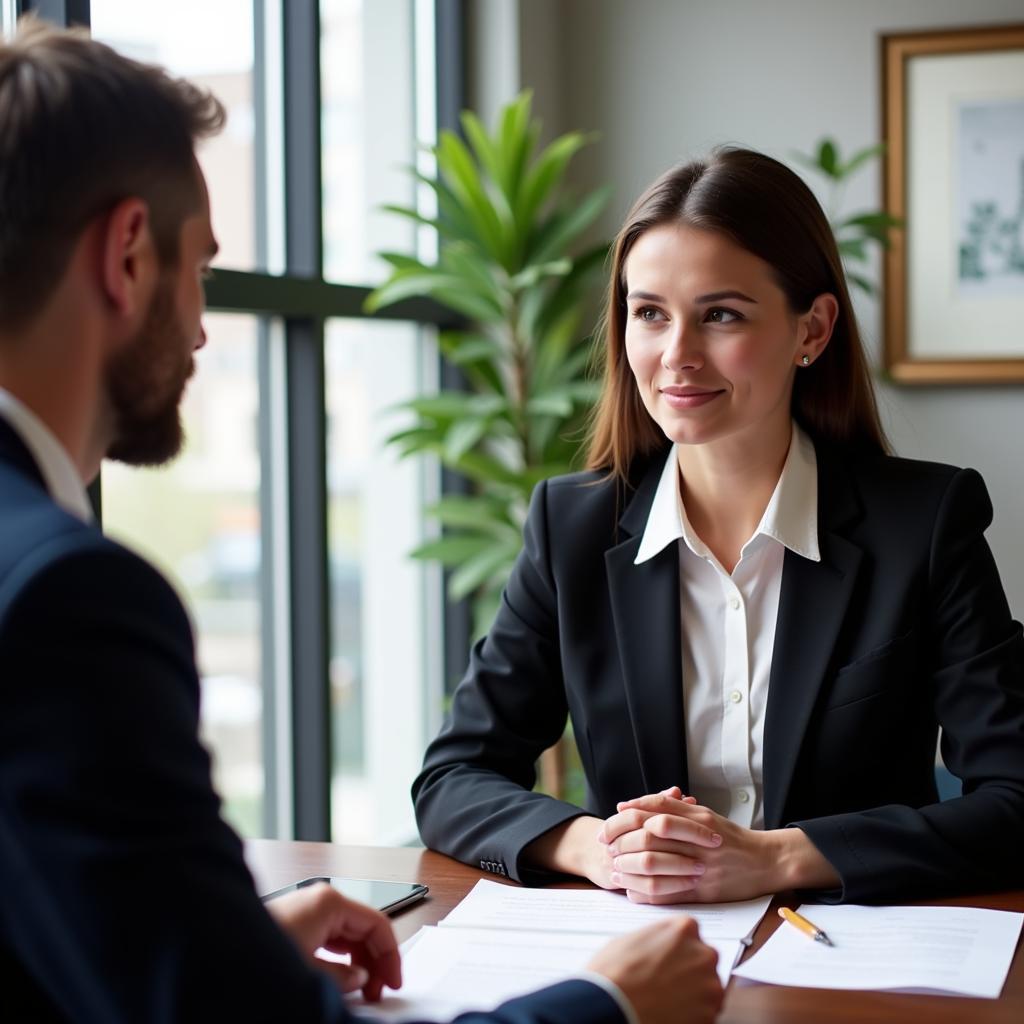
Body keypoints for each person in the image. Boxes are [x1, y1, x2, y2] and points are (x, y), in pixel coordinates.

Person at [0, 17, 725, 1024]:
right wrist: (610, 1002)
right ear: (127, 255)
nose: (205, 325)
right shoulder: (67, 596)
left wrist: (226, 947)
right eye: (200, 268)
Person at [414, 147, 1024, 906]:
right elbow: (453, 778)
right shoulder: (571, 528)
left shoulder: (925, 525)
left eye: (721, 315)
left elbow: (1015, 798)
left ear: (814, 328)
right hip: (650, 954)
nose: (676, 357)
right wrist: (602, 849)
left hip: (848, 962)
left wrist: (778, 858)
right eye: (649, 315)